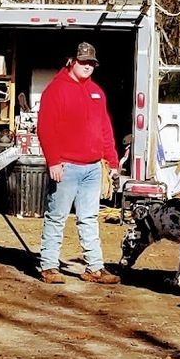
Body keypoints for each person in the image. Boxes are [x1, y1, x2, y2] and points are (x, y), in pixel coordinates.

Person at [34, 41, 122, 286]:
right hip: (66, 167)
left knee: (89, 218)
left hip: (93, 168)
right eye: (83, 61)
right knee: (56, 217)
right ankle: (49, 265)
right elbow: (46, 129)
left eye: (91, 63)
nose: (87, 66)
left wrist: (111, 161)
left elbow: (105, 129)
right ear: (71, 61)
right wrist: (53, 161)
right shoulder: (55, 90)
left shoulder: (97, 92)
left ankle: (94, 267)